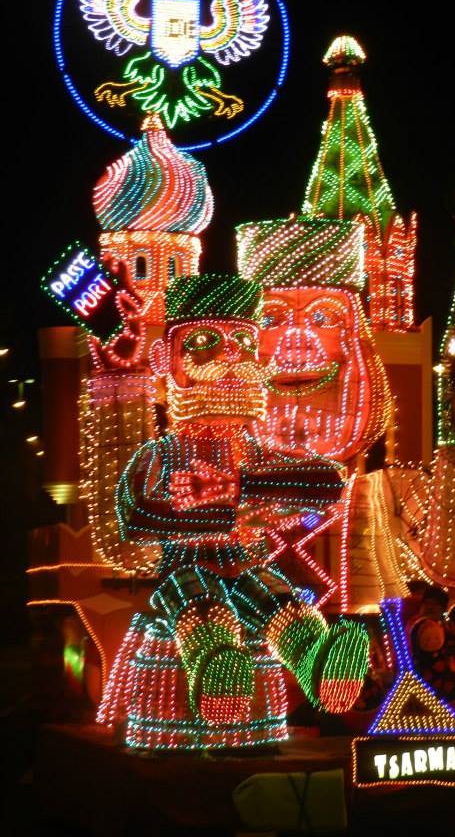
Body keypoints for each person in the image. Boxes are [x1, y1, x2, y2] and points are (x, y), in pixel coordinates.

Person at [96, 270, 369, 749]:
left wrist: (241, 485)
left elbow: (327, 481)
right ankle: (217, 672)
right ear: (169, 358)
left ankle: (322, 665)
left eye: (242, 340)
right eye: (204, 341)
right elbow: (135, 511)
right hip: (186, 570)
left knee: (286, 609)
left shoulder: (256, 451)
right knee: (207, 613)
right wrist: (225, 515)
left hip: (247, 566)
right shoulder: (165, 450)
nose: (229, 355)